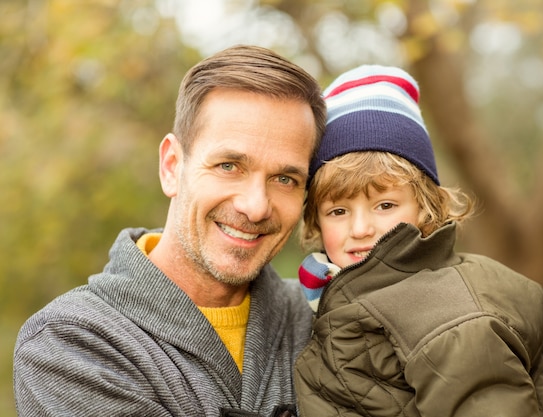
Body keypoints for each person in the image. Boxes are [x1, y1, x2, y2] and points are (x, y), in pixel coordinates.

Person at [13, 44, 326, 417]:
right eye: (229, 166)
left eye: (285, 178)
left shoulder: (326, 318)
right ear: (172, 166)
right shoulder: (67, 344)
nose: (255, 206)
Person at [294, 65, 543, 416]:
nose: (360, 228)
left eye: (385, 205)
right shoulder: (341, 296)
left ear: (426, 207)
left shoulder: (453, 318)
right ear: (315, 218)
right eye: (338, 211)